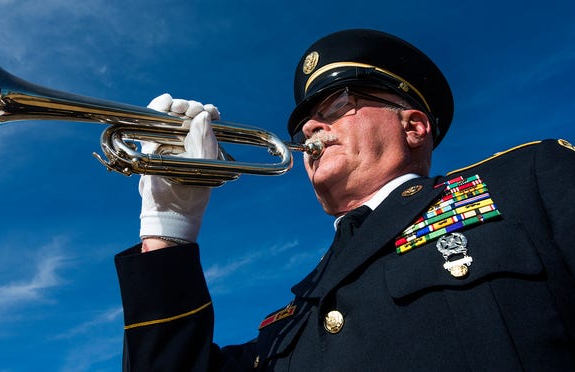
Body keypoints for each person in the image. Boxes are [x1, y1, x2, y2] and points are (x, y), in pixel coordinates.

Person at [114, 29, 575, 371]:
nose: (310, 128)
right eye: (304, 123)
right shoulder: (286, 322)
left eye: (335, 105)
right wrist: (166, 226)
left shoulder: (528, 180)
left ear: (413, 126)